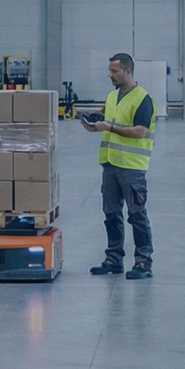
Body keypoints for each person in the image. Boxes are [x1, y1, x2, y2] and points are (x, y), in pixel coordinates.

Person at [81, 53, 154, 279]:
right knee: (111, 214)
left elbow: (140, 131)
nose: (110, 75)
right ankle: (114, 259)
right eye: (110, 71)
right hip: (110, 165)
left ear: (128, 71)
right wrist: (93, 126)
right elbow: (107, 122)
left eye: (114, 71)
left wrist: (109, 128)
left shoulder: (143, 99)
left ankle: (143, 262)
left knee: (136, 215)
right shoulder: (112, 97)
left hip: (132, 167)